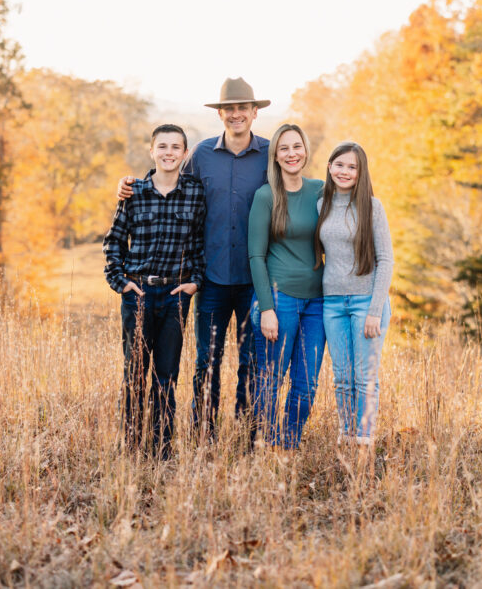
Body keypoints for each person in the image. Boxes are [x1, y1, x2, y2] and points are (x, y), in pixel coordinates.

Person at [118, 78, 270, 439]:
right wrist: (130, 186)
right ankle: (205, 434)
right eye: (229, 109)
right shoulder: (200, 154)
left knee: (252, 361)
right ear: (220, 114)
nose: (236, 114)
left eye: (242, 108)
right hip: (212, 278)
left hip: (254, 278)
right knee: (207, 361)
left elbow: (294, 186)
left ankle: (249, 436)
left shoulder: (270, 153)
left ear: (253, 112)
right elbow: (167, 187)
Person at [103, 124, 206, 459]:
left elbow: (202, 244)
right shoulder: (134, 193)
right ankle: (131, 450)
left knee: (166, 377)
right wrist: (121, 283)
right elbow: (113, 243)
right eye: (162, 146)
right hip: (139, 295)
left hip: (175, 295)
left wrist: (195, 282)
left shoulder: (194, 193)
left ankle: (161, 450)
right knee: (134, 375)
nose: (169, 153)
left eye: (176, 147)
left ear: (185, 153)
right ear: (152, 151)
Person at [248, 124, 325, 449]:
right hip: (280, 300)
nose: (292, 154)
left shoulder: (321, 190)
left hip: (318, 303)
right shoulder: (267, 195)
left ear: (305, 150)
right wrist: (266, 307)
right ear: (276, 156)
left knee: (306, 384)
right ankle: (265, 444)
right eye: (284, 149)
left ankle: (289, 444)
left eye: (297, 147)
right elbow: (255, 255)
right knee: (271, 379)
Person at [314, 142, 393, 446]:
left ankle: (364, 439)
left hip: (366, 303)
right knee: (342, 378)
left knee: (365, 378)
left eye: (352, 167)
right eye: (339, 165)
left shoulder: (372, 207)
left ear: (361, 173)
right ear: (330, 167)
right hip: (332, 303)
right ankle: (346, 436)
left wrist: (375, 311)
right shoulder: (321, 205)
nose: (344, 171)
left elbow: (386, 260)